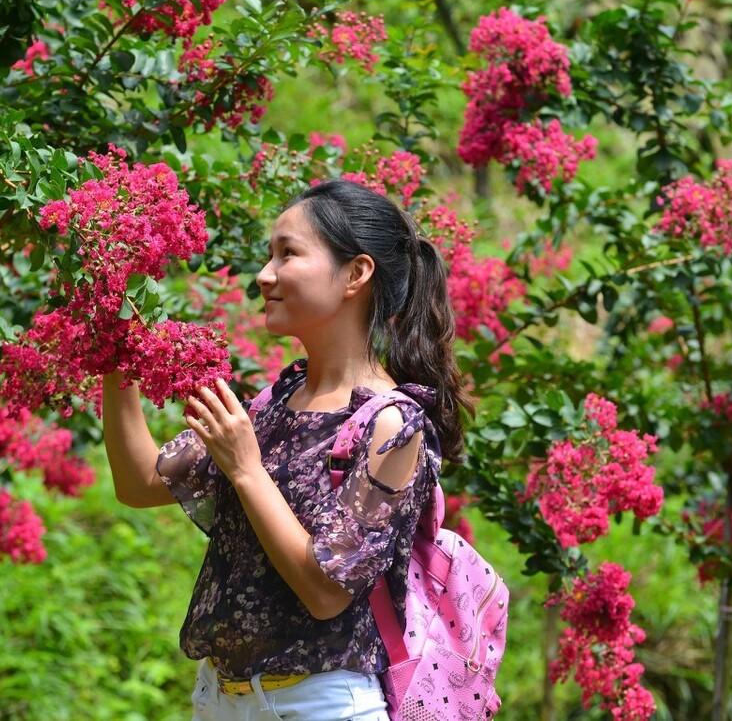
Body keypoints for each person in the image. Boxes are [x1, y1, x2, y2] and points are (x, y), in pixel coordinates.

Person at [101, 180, 474, 720]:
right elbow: (139, 484)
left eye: (288, 253)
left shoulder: (393, 423)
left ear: (356, 274)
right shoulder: (272, 404)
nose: (265, 275)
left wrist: (247, 470)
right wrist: (117, 359)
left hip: (319, 706)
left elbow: (327, 591)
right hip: (220, 701)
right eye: (268, 255)